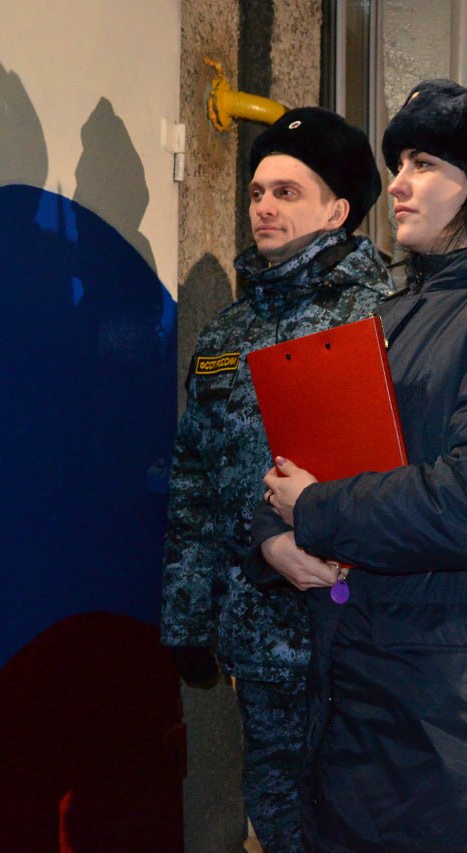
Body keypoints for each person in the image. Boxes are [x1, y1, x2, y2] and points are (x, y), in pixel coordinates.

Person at [247, 77, 467, 852]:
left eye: (425, 164)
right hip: (364, 696)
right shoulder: (401, 310)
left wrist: (317, 511)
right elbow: (315, 465)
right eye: (398, 164)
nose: (398, 185)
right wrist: (271, 538)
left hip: (460, 722)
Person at [160, 106, 391, 852]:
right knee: (275, 806)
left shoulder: (388, 316)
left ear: (337, 210)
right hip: (260, 639)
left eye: (287, 192)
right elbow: (196, 480)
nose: (263, 206)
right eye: (257, 191)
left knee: (362, 817)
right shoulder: (227, 333)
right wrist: (187, 615)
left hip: (358, 634)